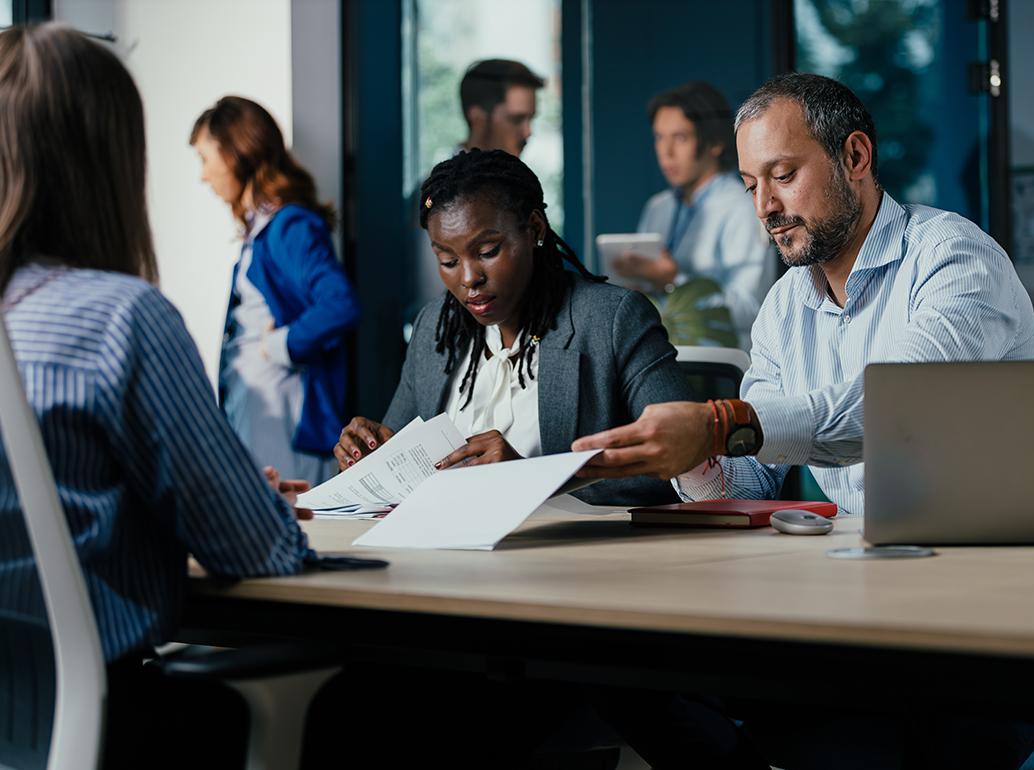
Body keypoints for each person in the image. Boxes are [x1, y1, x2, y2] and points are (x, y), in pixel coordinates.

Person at [573, 73, 1034, 768]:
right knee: (619, 674)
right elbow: (750, 485)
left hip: (977, 625)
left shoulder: (954, 258)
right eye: (749, 184)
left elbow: (889, 412)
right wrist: (694, 462)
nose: (765, 206)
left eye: (783, 175)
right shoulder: (785, 307)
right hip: (856, 608)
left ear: (855, 156)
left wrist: (717, 420)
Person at [0, 24, 319, 767]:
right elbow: (261, 550)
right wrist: (245, 502)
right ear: (108, 163)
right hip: (97, 730)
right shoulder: (119, 316)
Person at [336, 148, 694, 506]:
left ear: (534, 229)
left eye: (488, 251)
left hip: (563, 556)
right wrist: (370, 459)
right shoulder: (435, 327)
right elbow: (396, 454)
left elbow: (685, 463)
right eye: (447, 259)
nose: (468, 278)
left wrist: (527, 478)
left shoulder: (610, 319)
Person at [191, 96, 360, 485]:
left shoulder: (290, 226)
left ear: (235, 154)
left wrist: (280, 344)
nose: (203, 175)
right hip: (260, 416)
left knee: (293, 526)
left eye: (205, 158)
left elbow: (340, 304)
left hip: (287, 421)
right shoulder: (263, 229)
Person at [613, 81, 775, 348]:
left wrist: (673, 281)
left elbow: (752, 308)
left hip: (718, 364)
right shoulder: (658, 207)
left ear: (714, 143)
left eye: (680, 138)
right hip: (659, 352)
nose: (666, 153)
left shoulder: (742, 206)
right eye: (659, 137)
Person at [459, 58, 545, 156]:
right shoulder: (447, 171)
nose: (528, 132)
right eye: (516, 120)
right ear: (477, 118)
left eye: (531, 119)